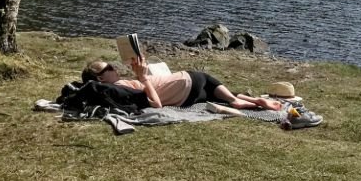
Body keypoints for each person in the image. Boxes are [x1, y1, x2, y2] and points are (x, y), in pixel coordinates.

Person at [81, 59, 283, 111]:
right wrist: (143, 77)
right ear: (100, 78)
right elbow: (156, 104)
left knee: (212, 95)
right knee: (207, 80)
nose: (113, 67)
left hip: (185, 96)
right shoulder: (120, 85)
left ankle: (249, 100)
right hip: (187, 81)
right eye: (108, 67)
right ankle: (235, 100)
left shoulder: (115, 87)